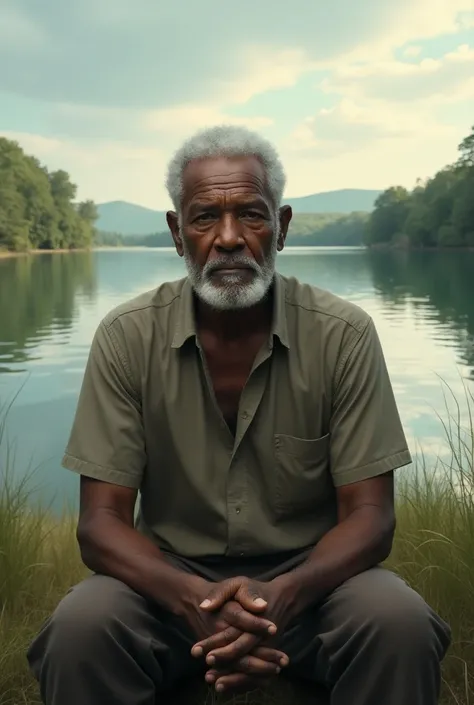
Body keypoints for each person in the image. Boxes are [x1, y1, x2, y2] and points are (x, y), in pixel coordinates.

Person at [27, 125, 451, 705]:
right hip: (165, 586)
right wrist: (191, 601)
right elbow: (100, 525)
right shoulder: (126, 337)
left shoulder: (344, 334)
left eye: (251, 215)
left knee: (396, 619)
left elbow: (372, 517)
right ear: (178, 233)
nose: (229, 238)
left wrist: (282, 596)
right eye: (205, 218)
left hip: (317, 587)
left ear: (281, 227)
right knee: (81, 627)